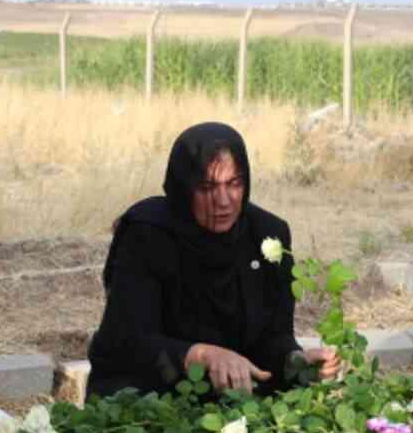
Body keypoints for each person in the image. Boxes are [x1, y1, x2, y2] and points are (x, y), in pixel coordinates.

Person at [87, 122, 339, 398]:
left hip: (236, 398)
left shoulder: (267, 236)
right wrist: (202, 355)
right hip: (153, 397)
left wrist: (297, 362)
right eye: (207, 187)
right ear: (183, 188)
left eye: (234, 184)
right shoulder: (148, 234)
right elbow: (127, 341)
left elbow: (274, 338)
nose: (223, 200)